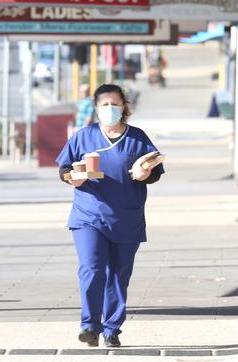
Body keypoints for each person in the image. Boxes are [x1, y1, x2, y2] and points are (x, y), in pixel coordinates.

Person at [56, 84, 164, 348]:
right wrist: (74, 178)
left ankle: (112, 328)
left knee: (118, 274)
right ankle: (89, 326)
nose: (109, 109)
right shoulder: (85, 136)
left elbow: (156, 168)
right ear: (95, 108)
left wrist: (145, 173)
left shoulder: (137, 138)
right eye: (103, 105)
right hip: (88, 215)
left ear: (124, 107)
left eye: (114, 104)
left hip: (126, 216)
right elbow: (64, 168)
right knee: (91, 269)